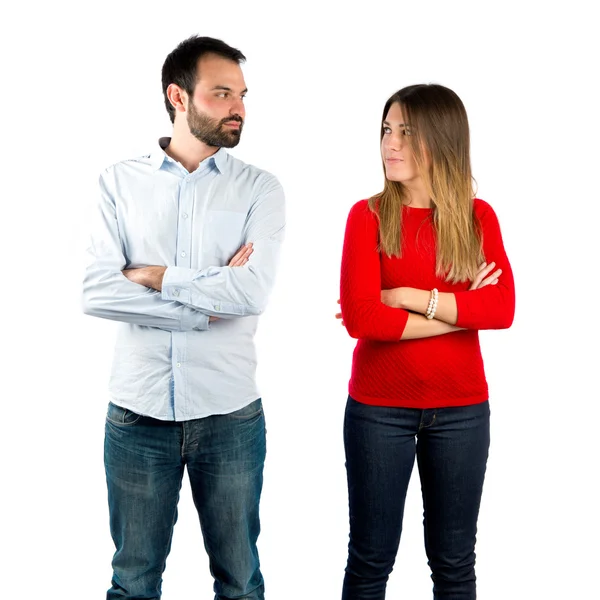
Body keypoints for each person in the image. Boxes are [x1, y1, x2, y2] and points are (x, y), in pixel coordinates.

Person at [82, 35, 285, 600]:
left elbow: (251, 292)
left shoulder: (259, 189)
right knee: (133, 582)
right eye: (222, 94)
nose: (238, 107)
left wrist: (154, 275)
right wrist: (204, 307)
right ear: (178, 96)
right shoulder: (118, 184)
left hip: (229, 415)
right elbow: (96, 291)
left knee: (241, 583)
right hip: (137, 414)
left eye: (242, 95)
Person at [336, 83, 515, 599]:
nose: (390, 143)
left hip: (461, 410)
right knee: (370, 561)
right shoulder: (365, 215)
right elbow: (363, 320)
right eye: (387, 130)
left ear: (441, 140)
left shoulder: (479, 218)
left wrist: (407, 294)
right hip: (378, 410)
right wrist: (461, 312)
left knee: (455, 563)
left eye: (407, 133)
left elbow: (501, 310)